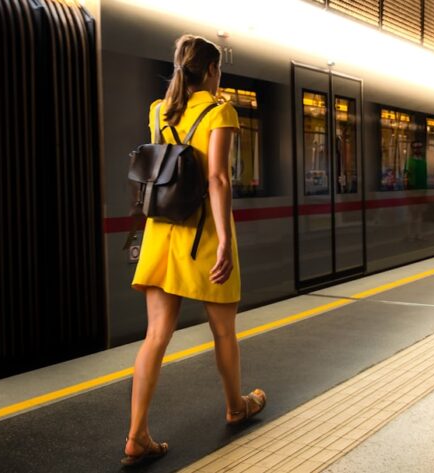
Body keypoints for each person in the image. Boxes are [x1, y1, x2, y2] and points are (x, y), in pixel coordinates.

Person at [123, 35, 266, 467]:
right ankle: (235, 407)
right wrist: (224, 240)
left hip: (161, 234)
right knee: (223, 331)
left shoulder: (157, 110)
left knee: (155, 336)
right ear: (210, 71)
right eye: (217, 70)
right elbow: (217, 180)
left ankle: (136, 436)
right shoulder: (219, 110)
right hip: (202, 235)